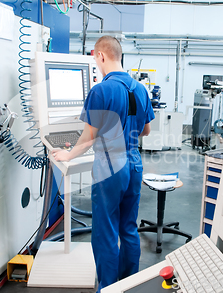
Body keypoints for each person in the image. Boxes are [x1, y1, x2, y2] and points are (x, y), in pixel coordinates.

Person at [53, 36, 155, 292]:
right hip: (133, 163)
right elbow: (147, 130)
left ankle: (108, 287)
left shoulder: (101, 90)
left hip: (110, 165)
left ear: (100, 56)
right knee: (129, 228)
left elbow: (88, 138)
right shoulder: (141, 89)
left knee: (106, 230)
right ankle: (129, 283)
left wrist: (67, 155)